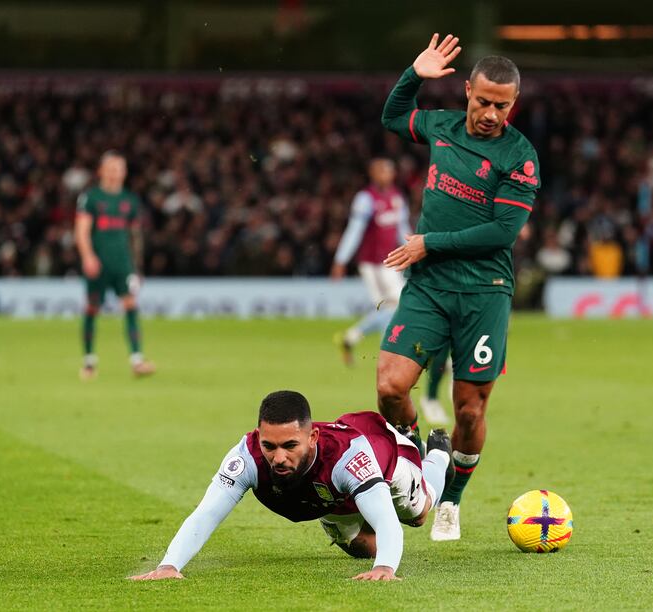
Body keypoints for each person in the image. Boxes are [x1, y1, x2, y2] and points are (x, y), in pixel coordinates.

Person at [377, 34, 541, 541]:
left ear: (513, 103)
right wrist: (413, 74)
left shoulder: (520, 156)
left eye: (502, 105)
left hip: (484, 292)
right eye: (484, 101)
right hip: (428, 287)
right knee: (389, 386)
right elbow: (392, 118)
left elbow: (501, 233)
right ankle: (417, 462)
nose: (491, 113)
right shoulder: (442, 126)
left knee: (470, 407)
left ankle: (451, 498)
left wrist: (430, 242)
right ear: (467, 90)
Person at [129, 390, 453, 582]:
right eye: (269, 446)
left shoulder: (348, 456)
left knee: (417, 514)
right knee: (360, 549)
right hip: (328, 495)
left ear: (312, 437)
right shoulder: (247, 457)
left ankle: (436, 454)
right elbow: (206, 514)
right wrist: (169, 566)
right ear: (258, 436)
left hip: (384, 457)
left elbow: (384, 518)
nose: (278, 457)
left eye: (290, 446)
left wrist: (385, 568)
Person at [74, 151, 155, 379]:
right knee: (92, 308)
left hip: (123, 264)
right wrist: (88, 256)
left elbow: (135, 236)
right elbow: (81, 231)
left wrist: (137, 267)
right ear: (101, 171)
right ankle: (89, 362)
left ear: (124, 172)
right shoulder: (91, 198)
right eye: (111, 168)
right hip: (98, 264)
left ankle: (137, 360)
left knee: (130, 305)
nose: (115, 173)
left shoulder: (130, 200)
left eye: (119, 168)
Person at [331, 158, 411, 366]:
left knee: (392, 307)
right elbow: (354, 231)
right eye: (381, 170)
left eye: (388, 170)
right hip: (373, 263)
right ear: (373, 174)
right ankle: (388, 353)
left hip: (391, 261)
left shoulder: (397, 197)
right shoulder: (365, 199)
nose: (385, 174)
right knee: (395, 306)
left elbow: (402, 229)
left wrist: (412, 251)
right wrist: (341, 259)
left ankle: (352, 337)